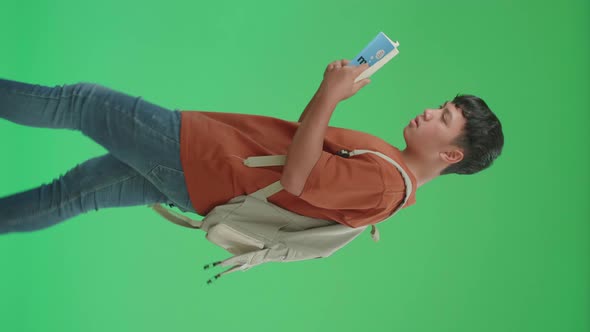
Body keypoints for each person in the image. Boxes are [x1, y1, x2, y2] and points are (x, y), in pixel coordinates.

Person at [0, 59, 504, 234]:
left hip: (206, 160)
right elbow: (305, 153)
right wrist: (326, 95)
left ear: (451, 154)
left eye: (444, 118)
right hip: (206, 175)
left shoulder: (387, 183)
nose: (429, 112)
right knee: (77, 192)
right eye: (440, 106)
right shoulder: (390, 174)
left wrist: (330, 94)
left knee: (80, 103)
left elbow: (295, 179)